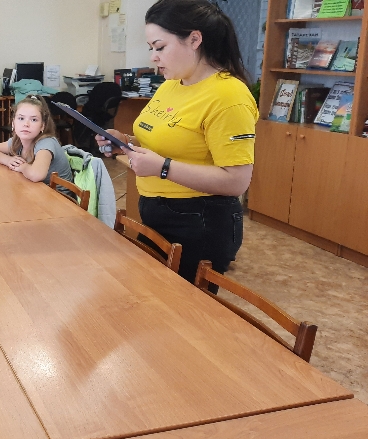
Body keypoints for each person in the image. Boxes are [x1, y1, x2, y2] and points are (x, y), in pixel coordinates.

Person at [96, 0, 257, 287]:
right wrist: (126, 142)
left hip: (199, 221)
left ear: (194, 39)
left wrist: (162, 167)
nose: (154, 58)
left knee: (183, 307)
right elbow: (168, 139)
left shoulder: (229, 96)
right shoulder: (172, 83)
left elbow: (236, 181)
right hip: (156, 210)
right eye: (151, 48)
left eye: (160, 47)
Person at [0, 95, 74, 197]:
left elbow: (36, 175)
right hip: (37, 192)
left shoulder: (46, 143)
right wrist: (8, 160)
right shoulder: (18, 141)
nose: (26, 124)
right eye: (21, 118)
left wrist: (22, 167)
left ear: (42, 126)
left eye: (34, 120)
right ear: (13, 123)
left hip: (59, 199)